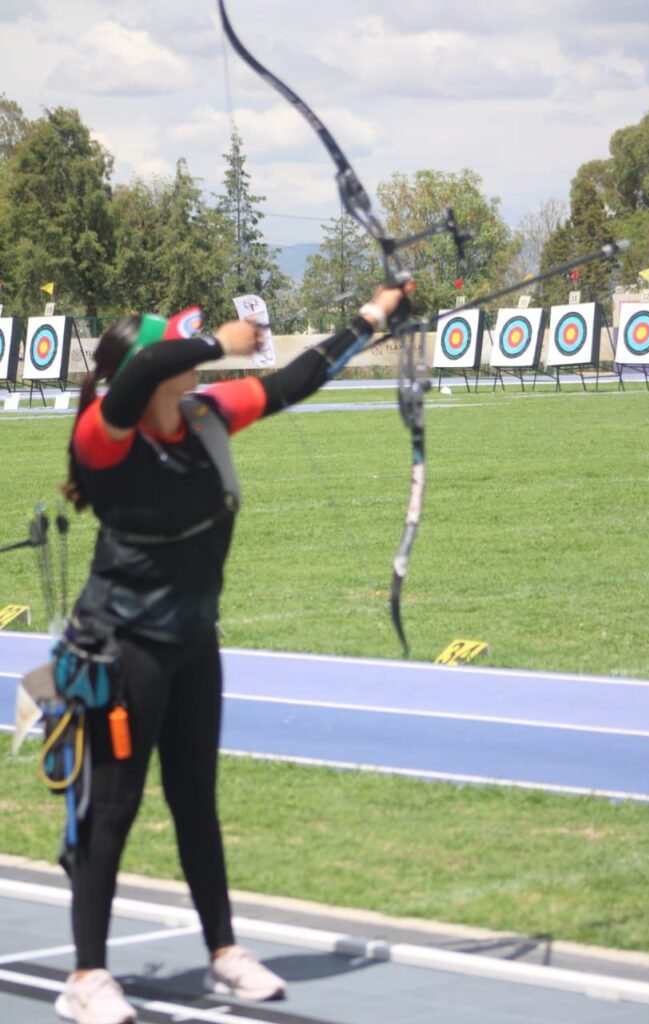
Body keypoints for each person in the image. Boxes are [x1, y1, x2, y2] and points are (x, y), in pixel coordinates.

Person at [54, 284, 409, 1024]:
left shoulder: (205, 415)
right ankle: (86, 976)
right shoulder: (103, 434)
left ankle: (223, 950)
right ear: (146, 371)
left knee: (196, 801)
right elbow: (147, 368)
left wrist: (372, 316)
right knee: (110, 809)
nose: (190, 361)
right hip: (120, 649)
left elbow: (296, 379)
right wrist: (219, 343)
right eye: (176, 351)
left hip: (192, 643)